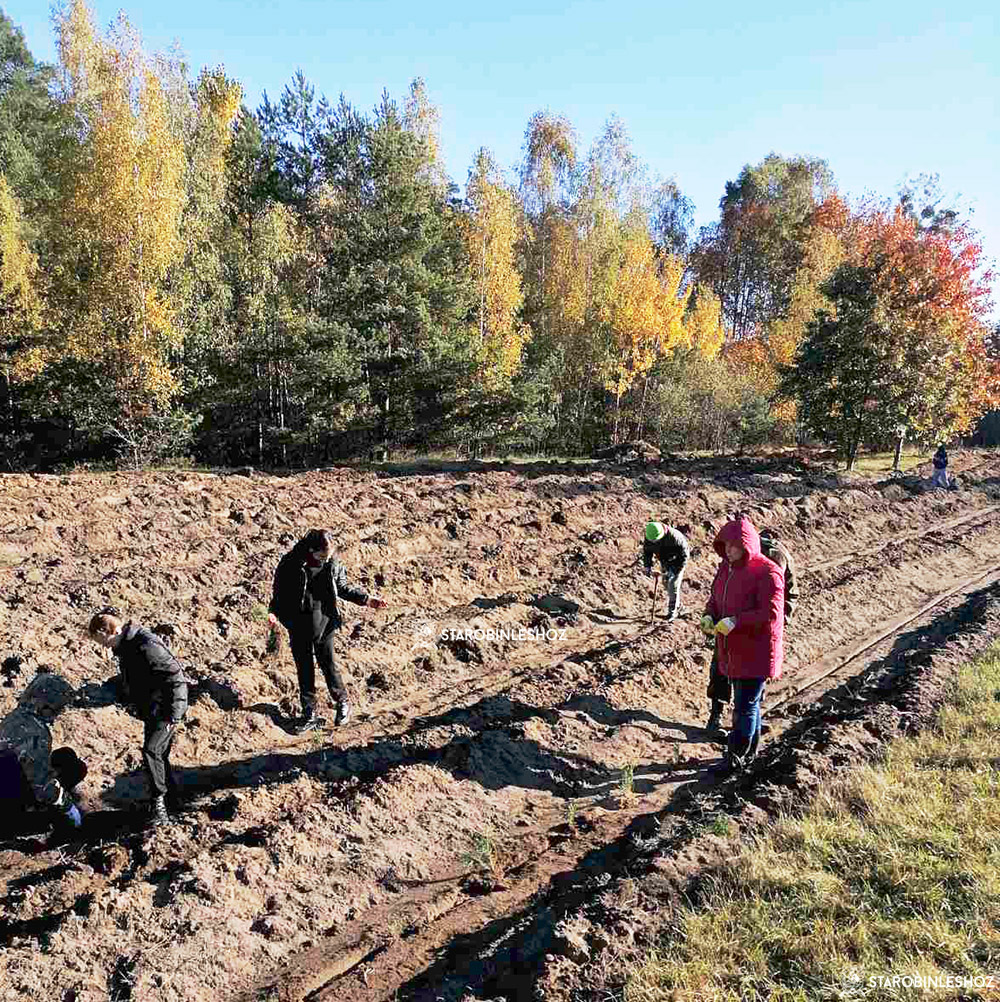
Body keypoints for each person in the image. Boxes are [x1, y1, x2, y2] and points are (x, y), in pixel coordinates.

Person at [268, 528, 387, 732]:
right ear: (311, 550)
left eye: (329, 555)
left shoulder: (332, 563)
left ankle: (342, 703)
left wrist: (367, 599)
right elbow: (279, 590)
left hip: (324, 620)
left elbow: (342, 588)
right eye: (322, 555)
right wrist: (273, 612)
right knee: (304, 669)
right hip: (298, 623)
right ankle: (309, 714)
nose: (326, 558)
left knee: (328, 664)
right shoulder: (290, 563)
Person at [88, 612, 189, 826]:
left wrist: (174, 714)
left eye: (103, 641)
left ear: (114, 631)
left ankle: (159, 807)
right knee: (159, 754)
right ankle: (173, 800)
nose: (104, 647)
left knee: (152, 751)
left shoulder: (145, 645)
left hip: (167, 708)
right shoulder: (126, 645)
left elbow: (175, 677)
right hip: (154, 708)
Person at [701, 516, 784, 772]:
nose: (728, 550)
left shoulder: (768, 573)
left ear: (747, 545)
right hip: (732, 648)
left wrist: (736, 621)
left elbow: (770, 615)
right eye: (725, 545)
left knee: (745, 705)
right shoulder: (726, 568)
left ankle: (735, 757)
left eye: (734, 545)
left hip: (755, 650)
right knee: (750, 704)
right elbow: (716, 598)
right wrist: (709, 614)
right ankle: (749, 754)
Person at [704, 527, 799, 733]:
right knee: (721, 668)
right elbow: (717, 592)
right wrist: (710, 615)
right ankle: (718, 715)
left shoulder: (776, 561)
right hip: (727, 628)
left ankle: (744, 723)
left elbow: (787, 595)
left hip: (755, 630)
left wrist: (777, 624)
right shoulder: (732, 557)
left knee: (752, 677)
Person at [0, 673, 87, 834]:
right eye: (58, 708)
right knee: (75, 768)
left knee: (65, 756)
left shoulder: (14, 718)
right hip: (8, 806)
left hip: (7, 785)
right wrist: (67, 806)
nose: (58, 713)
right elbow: (41, 784)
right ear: (47, 706)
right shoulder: (36, 732)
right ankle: (33, 819)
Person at [642, 521, 690, 621]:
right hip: (665, 561)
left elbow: (684, 555)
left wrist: (675, 570)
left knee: (673, 585)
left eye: (656, 540)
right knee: (665, 583)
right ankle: (678, 605)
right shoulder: (650, 535)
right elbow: (647, 551)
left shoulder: (675, 537)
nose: (653, 542)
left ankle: (673, 612)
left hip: (677, 562)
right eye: (652, 541)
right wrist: (647, 566)